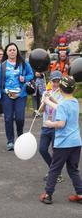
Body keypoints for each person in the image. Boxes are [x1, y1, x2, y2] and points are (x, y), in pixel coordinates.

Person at [40, 75, 82, 204]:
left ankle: (48, 194)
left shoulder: (63, 105)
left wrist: (49, 123)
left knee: (55, 169)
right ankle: (80, 194)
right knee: (73, 169)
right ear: (73, 89)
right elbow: (62, 107)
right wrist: (49, 100)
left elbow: (60, 123)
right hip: (76, 142)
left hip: (63, 143)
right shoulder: (75, 101)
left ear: (61, 89)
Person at [0, 43, 33, 151]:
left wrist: (25, 78)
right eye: (10, 50)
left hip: (21, 95)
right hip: (6, 95)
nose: (12, 52)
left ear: (17, 51)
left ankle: (20, 138)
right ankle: (10, 141)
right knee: (8, 118)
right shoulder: (2, 65)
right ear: (7, 52)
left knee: (19, 118)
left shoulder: (24, 63)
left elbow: (31, 74)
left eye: (14, 50)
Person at [38, 71, 64, 183]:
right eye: (54, 81)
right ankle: (55, 171)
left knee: (55, 151)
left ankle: (55, 174)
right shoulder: (45, 93)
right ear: (50, 81)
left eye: (58, 81)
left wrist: (51, 99)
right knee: (42, 149)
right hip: (45, 125)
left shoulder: (63, 94)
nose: (56, 84)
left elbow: (61, 108)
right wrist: (44, 101)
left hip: (56, 126)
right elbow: (40, 111)